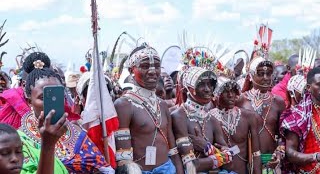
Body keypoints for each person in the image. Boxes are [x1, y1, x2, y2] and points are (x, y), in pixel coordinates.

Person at [19, 52, 113, 173]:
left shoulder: (76, 131)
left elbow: (102, 167)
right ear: (29, 101)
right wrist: (48, 145)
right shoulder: (20, 140)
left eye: (57, 95)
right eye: (43, 98)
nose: (50, 104)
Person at [114, 45, 183, 174]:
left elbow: (173, 150)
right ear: (131, 70)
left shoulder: (162, 105)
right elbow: (124, 159)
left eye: (156, 66)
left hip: (168, 169)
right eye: (145, 66)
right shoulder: (124, 105)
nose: (152, 71)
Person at [171, 67, 232, 173]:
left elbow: (230, 157)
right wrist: (219, 155)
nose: (208, 89)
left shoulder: (212, 119)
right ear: (188, 89)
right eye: (201, 84)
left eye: (209, 84)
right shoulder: (179, 116)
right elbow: (191, 166)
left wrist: (206, 147)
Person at [237, 56, 286, 173]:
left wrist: (279, 154)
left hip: (271, 162)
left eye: (269, 74)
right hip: (246, 162)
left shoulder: (278, 102)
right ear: (250, 76)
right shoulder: (240, 100)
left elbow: (283, 135)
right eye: (260, 74)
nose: (266, 78)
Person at [210, 77, 262, 173]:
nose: (231, 95)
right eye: (225, 91)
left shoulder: (249, 116)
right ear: (216, 94)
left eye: (233, 91)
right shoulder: (208, 118)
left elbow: (256, 153)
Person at [280, 67, 320, 173]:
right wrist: (315, 157)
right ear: (308, 87)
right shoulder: (296, 116)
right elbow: (290, 153)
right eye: (319, 84)